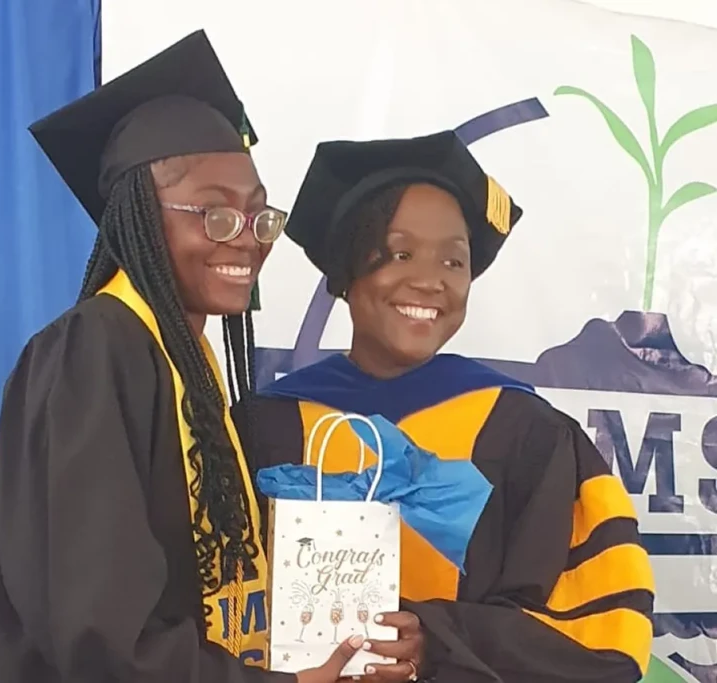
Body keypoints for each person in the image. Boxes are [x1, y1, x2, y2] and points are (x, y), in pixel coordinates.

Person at [0, 31, 394, 683]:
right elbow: (99, 633)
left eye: (259, 218)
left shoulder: (181, 359)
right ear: (140, 215)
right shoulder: (91, 353)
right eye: (214, 216)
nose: (248, 241)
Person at [234, 131, 655, 682]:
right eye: (400, 253)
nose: (430, 281)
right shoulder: (263, 425)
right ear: (344, 275)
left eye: (455, 262)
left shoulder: (528, 434)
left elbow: (595, 634)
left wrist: (438, 644)